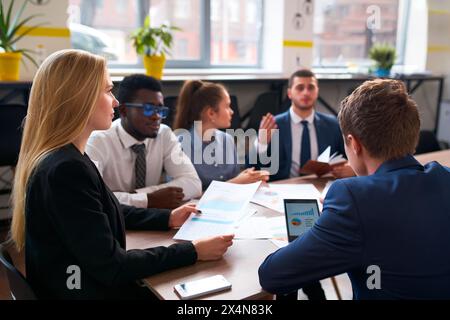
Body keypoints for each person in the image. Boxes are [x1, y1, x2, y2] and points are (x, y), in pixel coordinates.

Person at [10, 49, 234, 300]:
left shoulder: (69, 157)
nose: (116, 102)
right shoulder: (66, 169)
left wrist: (167, 218)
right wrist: (193, 251)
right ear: (79, 97)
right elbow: (113, 267)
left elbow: (101, 209)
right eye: (108, 91)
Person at [258, 79, 450, 300]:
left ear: (354, 144)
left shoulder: (352, 198)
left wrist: (331, 221)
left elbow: (272, 275)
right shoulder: (445, 176)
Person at [86, 74, 201, 209]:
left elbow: (193, 183)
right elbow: (94, 197)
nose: (156, 117)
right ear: (124, 110)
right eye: (148, 109)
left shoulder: (164, 134)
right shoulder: (98, 140)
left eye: (160, 110)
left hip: (152, 220)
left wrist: (139, 195)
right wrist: (148, 200)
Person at [256, 69, 354, 181]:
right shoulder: (273, 124)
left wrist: (352, 168)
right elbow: (253, 168)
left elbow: (351, 157)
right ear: (289, 93)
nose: (306, 93)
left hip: (322, 185)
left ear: (317, 92)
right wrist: (261, 144)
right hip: (284, 186)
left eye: (311, 88)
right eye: (300, 88)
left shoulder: (332, 124)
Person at [172, 80, 269, 190]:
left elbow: (235, 178)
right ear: (211, 113)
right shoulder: (180, 145)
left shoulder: (227, 139)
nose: (232, 112)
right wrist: (236, 182)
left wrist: (247, 177)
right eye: (227, 106)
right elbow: (183, 196)